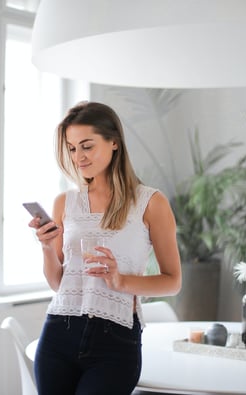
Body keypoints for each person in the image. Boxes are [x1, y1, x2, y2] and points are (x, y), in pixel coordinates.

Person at [28, 101, 182, 395]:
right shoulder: (65, 202)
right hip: (59, 332)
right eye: (72, 148)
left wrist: (120, 280)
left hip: (116, 342)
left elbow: (173, 281)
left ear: (114, 142)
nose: (78, 157)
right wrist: (48, 248)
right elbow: (58, 282)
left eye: (86, 146)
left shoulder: (151, 203)